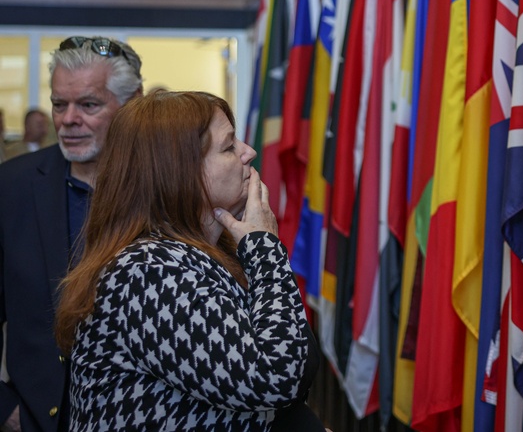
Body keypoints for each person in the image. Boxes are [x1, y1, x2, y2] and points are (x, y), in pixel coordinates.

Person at [54, 91, 323, 431]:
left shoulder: (217, 251)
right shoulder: (145, 273)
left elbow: (288, 368)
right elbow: (274, 377)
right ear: (179, 171)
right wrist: (264, 245)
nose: (248, 153)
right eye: (228, 147)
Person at [0, 36, 143, 432]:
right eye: (59, 104)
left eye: (88, 104)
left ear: (132, 104)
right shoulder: (12, 187)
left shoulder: (166, 189)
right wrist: (8, 412)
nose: (68, 119)